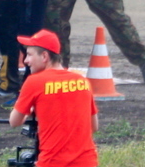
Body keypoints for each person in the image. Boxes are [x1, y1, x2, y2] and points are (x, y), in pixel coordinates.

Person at [9, 29, 98, 167]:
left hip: (53, 162)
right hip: (87, 161)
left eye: (29, 55)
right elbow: (94, 126)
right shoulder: (82, 80)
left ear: (44, 56)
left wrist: (29, 111)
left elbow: (14, 122)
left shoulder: (34, 81)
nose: (26, 61)